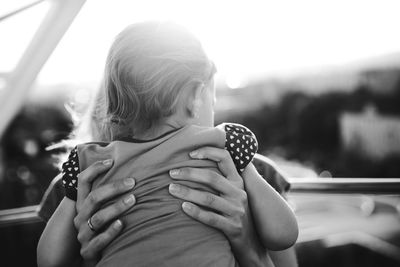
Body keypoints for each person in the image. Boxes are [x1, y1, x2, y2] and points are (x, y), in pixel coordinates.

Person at [37, 21, 298, 267]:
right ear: (195, 96)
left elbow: (48, 261)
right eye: (212, 94)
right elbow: (285, 233)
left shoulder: (88, 169)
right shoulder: (231, 151)